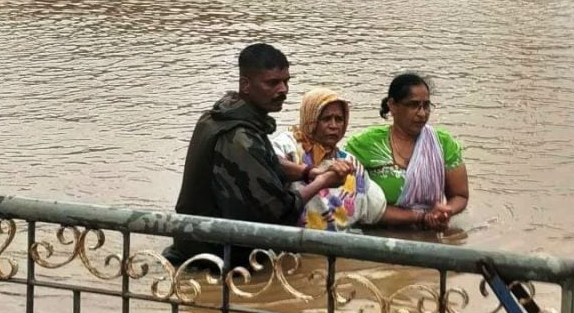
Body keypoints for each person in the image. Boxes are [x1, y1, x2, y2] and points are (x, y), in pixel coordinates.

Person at [165, 44, 347, 266]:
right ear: (246, 85)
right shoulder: (239, 136)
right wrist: (323, 181)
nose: (283, 90)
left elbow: (268, 161)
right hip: (215, 261)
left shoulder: (223, 116)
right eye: (272, 83)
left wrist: (308, 171)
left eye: (286, 81)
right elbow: (278, 211)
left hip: (196, 245)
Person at [272, 87, 451, 231]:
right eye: (326, 119)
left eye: (339, 119)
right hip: (294, 248)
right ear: (310, 119)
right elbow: (272, 163)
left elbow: (376, 210)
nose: (334, 126)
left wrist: (423, 217)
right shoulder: (290, 145)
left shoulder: (350, 164)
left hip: (336, 250)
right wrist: (315, 173)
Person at [345, 73, 469, 222]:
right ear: (392, 106)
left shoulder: (443, 143)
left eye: (426, 106)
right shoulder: (364, 144)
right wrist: (420, 217)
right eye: (413, 105)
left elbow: (460, 195)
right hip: (376, 236)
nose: (422, 113)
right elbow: (349, 199)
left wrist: (445, 211)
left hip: (428, 231)